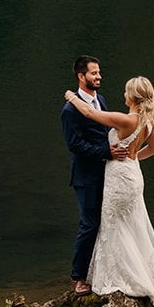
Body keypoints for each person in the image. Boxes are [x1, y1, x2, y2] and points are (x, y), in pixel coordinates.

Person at [62, 75, 154, 307]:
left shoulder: (125, 120)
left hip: (119, 177)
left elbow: (90, 114)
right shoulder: (149, 122)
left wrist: (71, 96)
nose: (123, 95)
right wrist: (134, 158)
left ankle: (123, 276)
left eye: (126, 92)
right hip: (133, 175)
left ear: (133, 97)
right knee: (132, 224)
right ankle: (140, 271)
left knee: (114, 224)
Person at [62, 56, 128, 294]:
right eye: (93, 73)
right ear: (81, 77)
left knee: (106, 223)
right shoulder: (70, 110)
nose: (98, 77)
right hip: (86, 176)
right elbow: (74, 145)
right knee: (89, 224)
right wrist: (105, 152)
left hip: (107, 173)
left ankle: (97, 271)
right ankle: (77, 277)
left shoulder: (100, 99)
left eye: (99, 73)